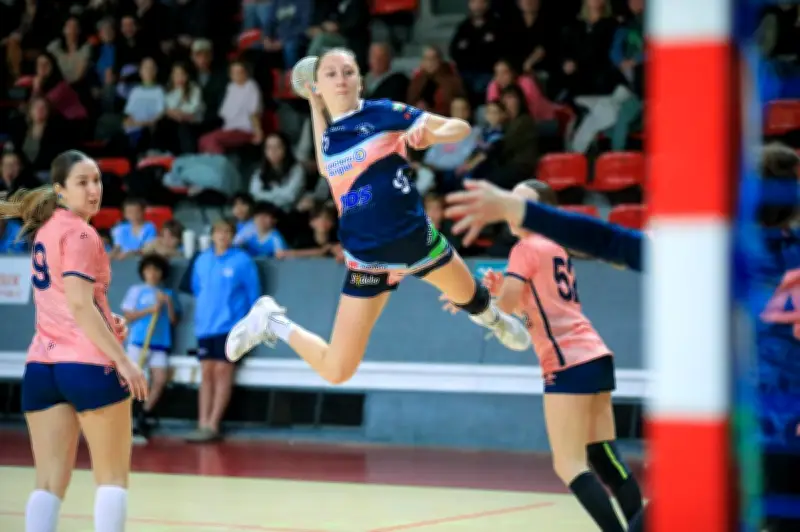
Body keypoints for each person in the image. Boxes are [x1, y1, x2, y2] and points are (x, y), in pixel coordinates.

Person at [225, 48, 531, 385]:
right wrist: (315, 106)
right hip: (368, 262)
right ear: (319, 87)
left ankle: (494, 320)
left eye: (348, 72)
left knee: (472, 299)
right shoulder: (330, 138)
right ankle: (271, 322)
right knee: (337, 371)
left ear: (360, 80)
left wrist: (428, 133)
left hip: (418, 244)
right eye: (330, 74)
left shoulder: (382, 113)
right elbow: (327, 168)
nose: (341, 79)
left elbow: (458, 128)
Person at [443, 179, 644, 531]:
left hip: (567, 361)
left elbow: (506, 307)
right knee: (604, 456)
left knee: (569, 464)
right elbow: (529, 306)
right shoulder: (555, 246)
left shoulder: (525, 248)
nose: (511, 207)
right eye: (511, 199)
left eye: (522, 202)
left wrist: (470, 297)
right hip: (595, 354)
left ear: (542, 212)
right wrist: (500, 287)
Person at [0, 150, 148, 532]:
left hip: (41, 368)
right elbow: (80, 306)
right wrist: (124, 360)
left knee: (48, 484)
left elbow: (67, 302)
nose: (94, 189)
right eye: (82, 182)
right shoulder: (82, 233)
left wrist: (107, 317)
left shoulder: (46, 229)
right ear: (60, 190)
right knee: (112, 479)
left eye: (97, 180)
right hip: (88, 365)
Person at [444, 178, 645, 272]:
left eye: (523, 203)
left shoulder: (564, 252)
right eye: (513, 201)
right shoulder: (510, 249)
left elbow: (606, 242)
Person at [187, 219, 261, 442]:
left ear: (233, 236)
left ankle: (213, 424)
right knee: (206, 373)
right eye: (219, 232)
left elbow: (254, 295)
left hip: (231, 326)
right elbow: (197, 288)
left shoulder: (243, 261)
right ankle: (202, 423)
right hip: (205, 326)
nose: (222, 236)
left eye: (227, 232)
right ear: (212, 235)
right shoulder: (202, 260)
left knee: (223, 372)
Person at [121, 253, 180, 441]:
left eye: (156, 270)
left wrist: (168, 303)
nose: (152, 274)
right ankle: (124, 419)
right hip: (139, 342)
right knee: (134, 381)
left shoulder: (168, 294)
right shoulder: (136, 291)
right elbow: (129, 316)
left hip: (160, 343)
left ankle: (143, 415)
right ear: (143, 272)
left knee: (160, 380)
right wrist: (149, 310)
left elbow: (173, 320)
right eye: (149, 270)